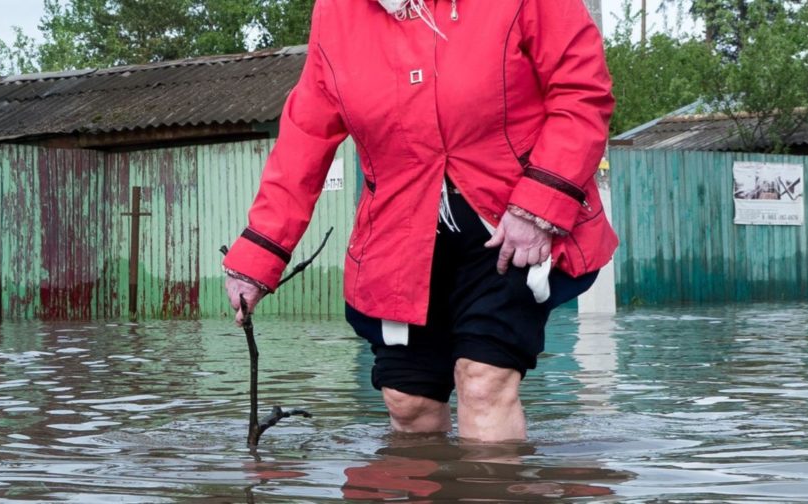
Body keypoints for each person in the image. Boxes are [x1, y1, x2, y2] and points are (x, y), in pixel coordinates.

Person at [221, 0, 617, 442]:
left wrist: (540, 208)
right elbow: (307, 135)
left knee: (483, 383)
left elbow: (581, 91)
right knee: (408, 403)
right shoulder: (335, 12)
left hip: (507, 228)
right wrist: (257, 257)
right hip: (399, 233)